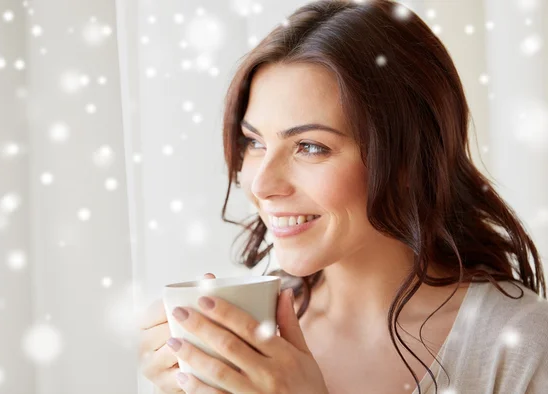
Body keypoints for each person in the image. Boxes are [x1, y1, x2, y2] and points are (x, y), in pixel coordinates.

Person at [139, 1, 548, 393]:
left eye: (310, 147)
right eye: (254, 142)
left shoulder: (519, 348)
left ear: (409, 158)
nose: (262, 185)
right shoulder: (247, 337)